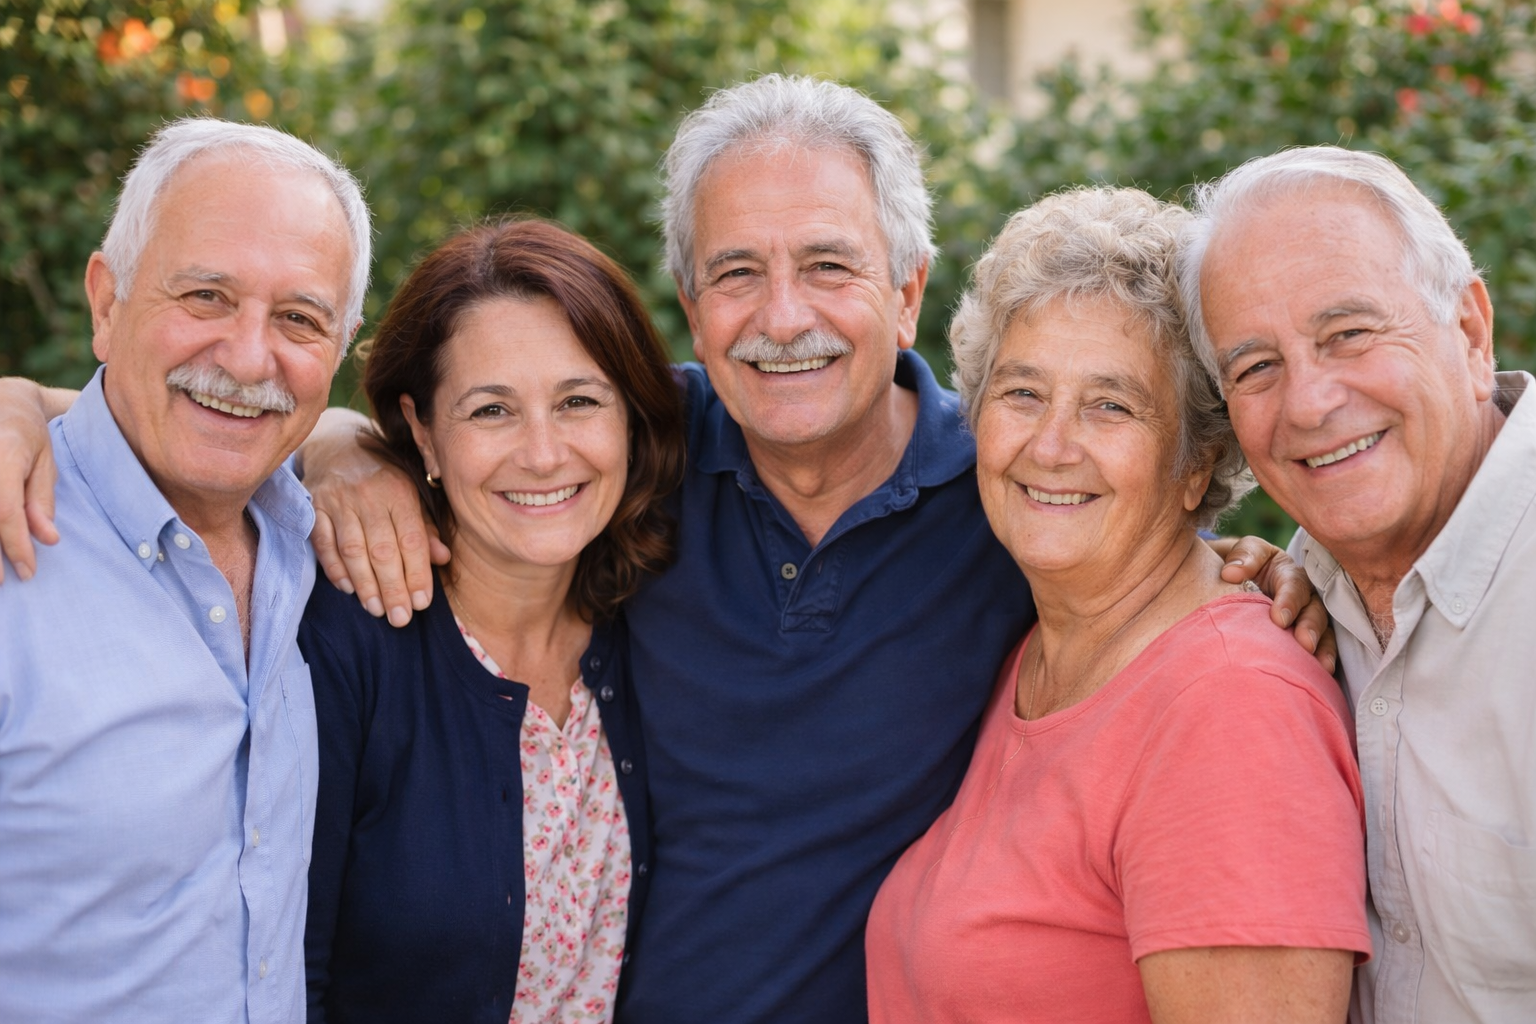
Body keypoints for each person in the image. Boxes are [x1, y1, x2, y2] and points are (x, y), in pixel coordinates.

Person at [0, 77, 1326, 1023]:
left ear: (909, 290)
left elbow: (1138, 518)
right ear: (690, 305)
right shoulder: (639, 458)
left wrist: (1265, 564)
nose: (783, 317)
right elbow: (291, 410)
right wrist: (310, 445)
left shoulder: (1005, 490)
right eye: (737, 273)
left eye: (830, 265)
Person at [864, 186, 1370, 1024]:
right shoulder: (1043, 647)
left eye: (1111, 406)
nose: (1052, 445)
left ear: (1196, 463)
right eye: (1022, 393)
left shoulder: (1231, 710)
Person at [0, 118, 369, 1022]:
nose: (249, 356)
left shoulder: (315, 544)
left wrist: (357, 447)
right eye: (205, 296)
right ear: (106, 303)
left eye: (298, 318)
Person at [1178, 146, 1536, 1024]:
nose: (1307, 403)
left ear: (1470, 331)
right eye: (1256, 367)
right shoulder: (1296, 608)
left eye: (1349, 334)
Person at [300, 218, 683, 1023]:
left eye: (579, 401)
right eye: (491, 411)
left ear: (630, 420)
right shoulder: (345, 639)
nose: (544, 454)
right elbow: (284, 972)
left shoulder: (655, 621)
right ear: (422, 433)